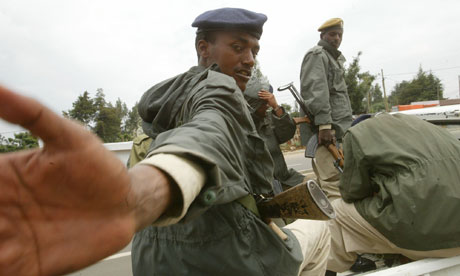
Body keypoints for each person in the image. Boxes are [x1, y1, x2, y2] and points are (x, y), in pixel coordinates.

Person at [0, 8, 331, 276]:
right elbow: (207, 135)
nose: (250, 59)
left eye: (254, 51)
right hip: (232, 257)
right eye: (238, 47)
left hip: (153, 260)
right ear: (204, 48)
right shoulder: (219, 89)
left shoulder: (167, 100)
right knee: (320, 234)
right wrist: (135, 197)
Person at [326, 113, 460, 273]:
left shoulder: (358, 133)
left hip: (431, 239)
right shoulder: (426, 127)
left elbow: (352, 193)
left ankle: (328, 268)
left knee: (335, 214)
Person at [299, 18, 353, 200]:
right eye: (332, 34)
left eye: (339, 35)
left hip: (339, 131)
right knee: (334, 185)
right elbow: (316, 92)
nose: (336, 38)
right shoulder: (317, 55)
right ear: (322, 35)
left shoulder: (333, 59)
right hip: (327, 134)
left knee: (338, 184)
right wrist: (324, 126)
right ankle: (338, 227)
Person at [244, 78, 304, 192]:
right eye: (263, 104)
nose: (267, 106)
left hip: (285, 179)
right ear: (253, 106)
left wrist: (276, 107)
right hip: (264, 189)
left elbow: (286, 133)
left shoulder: (268, 119)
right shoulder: (242, 128)